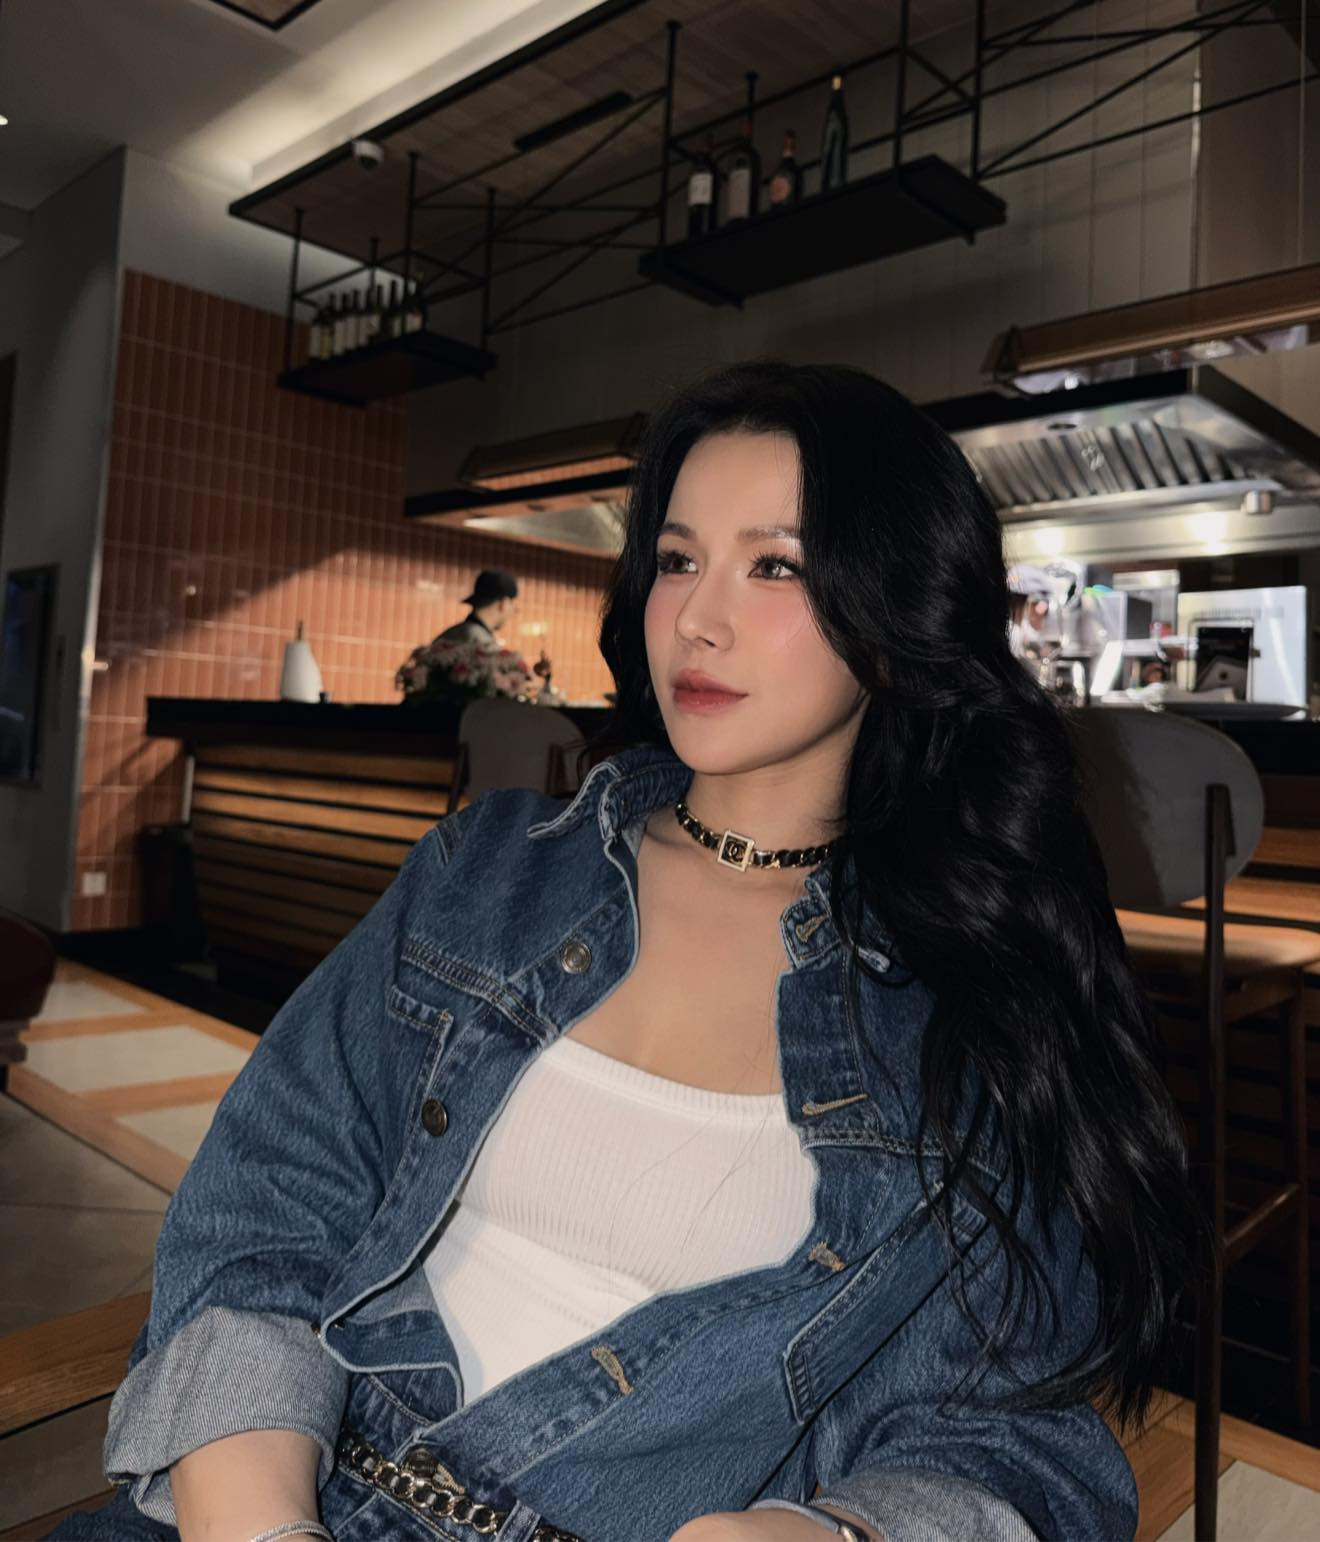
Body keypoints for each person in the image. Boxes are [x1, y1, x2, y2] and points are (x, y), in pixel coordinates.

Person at [52, 362, 1197, 1542]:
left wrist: (830, 1533)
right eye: (678, 558)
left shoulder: (964, 1007)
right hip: (263, 1495)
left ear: (899, 615)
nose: (697, 617)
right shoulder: (489, 870)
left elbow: (1012, 1441)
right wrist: (260, 1523)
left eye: (776, 565)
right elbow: (269, 1198)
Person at [433, 567, 523, 653]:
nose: (515, 611)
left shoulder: (450, 634)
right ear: (504, 603)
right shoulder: (482, 645)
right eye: (513, 605)